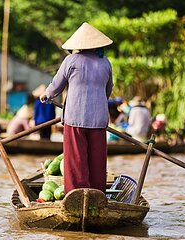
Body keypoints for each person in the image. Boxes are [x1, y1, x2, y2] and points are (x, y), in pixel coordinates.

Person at [39, 22, 114, 194]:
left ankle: (77, 194)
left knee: (76, 159)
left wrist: (46, 95)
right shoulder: (105, 63)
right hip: (99, 119)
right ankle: (97, 194)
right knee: (97, 159)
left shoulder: (71, 60)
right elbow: (108, 90)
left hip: (75, 118)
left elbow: (56, 86)